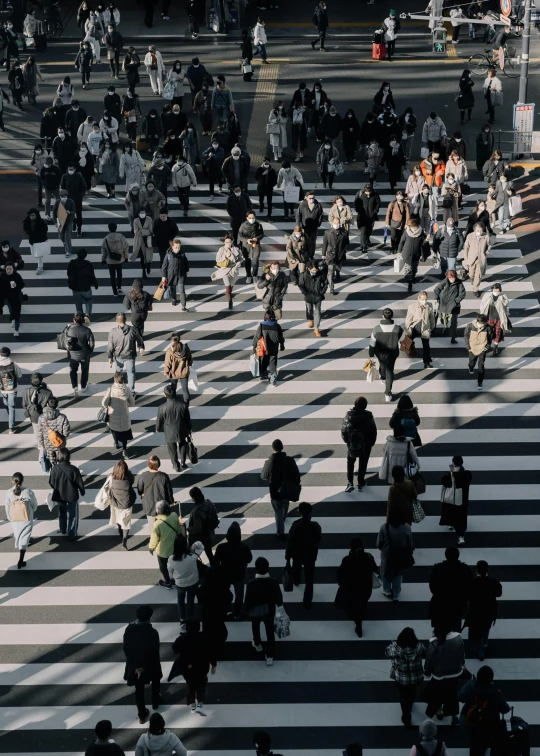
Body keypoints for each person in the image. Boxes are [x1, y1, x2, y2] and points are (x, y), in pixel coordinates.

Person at [123, 605, 162, 724]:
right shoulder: (152, 632)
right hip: (150, 664)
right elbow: (154, 650)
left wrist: (137, 667)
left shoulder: (129, 629)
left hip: (135, 665)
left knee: (138, 689)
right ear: (150, 616)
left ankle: (141, 714)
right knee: (155, 680)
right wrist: (144, 666)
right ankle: (155, 701)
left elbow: (126, 648)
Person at [459, 665, 510, 756]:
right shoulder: (494, 692)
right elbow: (505, 709)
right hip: (488, 723)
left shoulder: (470, 685)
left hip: (469, 719)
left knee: (474, 743)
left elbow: (460, 697)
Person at [334, 536, 377, 638]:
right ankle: (359, 620)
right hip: (365, 587)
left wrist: (341, 582)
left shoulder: (347, 560)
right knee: (362, 603)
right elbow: (374, 568)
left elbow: (341, 574)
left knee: (350, 604)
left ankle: (356, 620)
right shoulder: (368, 557)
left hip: (351, 588)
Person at [424, 623, 465, 725]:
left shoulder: (435, 643)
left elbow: (429, 660)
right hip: (455, 673)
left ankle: (438, 711)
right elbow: (462, 654)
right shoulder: (458, 639)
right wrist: (462, 665)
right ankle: (454, 715)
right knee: (452, 694)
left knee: (437, 696)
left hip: (439, 675)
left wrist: (427, 673)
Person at [246, 556, 283, 666]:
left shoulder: (251, 583)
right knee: (269, 631)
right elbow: (279, 598)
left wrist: (247, 611)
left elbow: (247, 600)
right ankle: (270, 655)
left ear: (256, 569)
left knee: (255, 627)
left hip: (255, 611)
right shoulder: (273, 582)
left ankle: (257, 643)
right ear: (267, 568)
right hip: (269, 611)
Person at [385, 627, 426, 727]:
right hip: (415, 678)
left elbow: (386, 652)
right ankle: (410, 705)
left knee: (403, 697)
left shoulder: (395, 648)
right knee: (412, 693)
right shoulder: (419, 647)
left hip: (402, 679)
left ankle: (406, 717)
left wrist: (393, 645)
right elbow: (425, 652)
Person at [285, 502, 321, 608]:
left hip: (297, 554)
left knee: (296, 568)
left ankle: (296, 581)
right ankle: (307, 600)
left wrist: (287, 556)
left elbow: (290, 542)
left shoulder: (295, 526)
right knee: (309, 578)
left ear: (300, 512)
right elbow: (318, 539)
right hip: (310, 555)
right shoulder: (315, 526)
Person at [260, 438, 299, 537]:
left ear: (273, 448)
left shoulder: (270, 461)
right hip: (287, 488)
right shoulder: (289, 460)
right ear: (282, 448)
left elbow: (263, 476)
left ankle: (280, 532)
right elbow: (296, 474)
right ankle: (284, 516)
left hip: (275, 490)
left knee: (277, 511)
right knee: (286, 502)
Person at [169, 621, 211, 712]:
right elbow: (210, 652)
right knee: (201, 685)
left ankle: (192, 703)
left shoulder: (182, 639)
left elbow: (175, 649)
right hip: (202, 667)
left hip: (188, 668)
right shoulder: (204, 638)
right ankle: (200, 702)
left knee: (190, 685)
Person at [429, 545, 473, 631]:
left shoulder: (438, 568)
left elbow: (432, 586)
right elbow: (470, 588)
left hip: (440, 603)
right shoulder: (464, 569)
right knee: (456, 628)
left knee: (440, 630)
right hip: (458, 604)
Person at [215, 521, 253, 619]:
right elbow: (249, 559)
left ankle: (225, 610)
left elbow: (215, 561)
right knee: (239, 595)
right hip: (239, 574)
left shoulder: (221, 547)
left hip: (225, 574)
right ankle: (237, 612)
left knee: (224, 593)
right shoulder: (244, 547)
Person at [341, 396, 377, 493]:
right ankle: (361, 483)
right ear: (365, 406)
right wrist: (371, 443)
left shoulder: (348, 416)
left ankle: (350, 482)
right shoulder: (368, 417)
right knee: (363, 463)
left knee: (350, 462)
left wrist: (347, 441)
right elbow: (373, 431)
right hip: (365, 444)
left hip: (352, 443)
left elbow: (344, 431)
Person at [377, 508, 413, 602]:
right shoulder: (407, 527)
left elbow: (379, 543)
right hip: (401, 554)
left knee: (385, 571)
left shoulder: (384, 527)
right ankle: (396, 594)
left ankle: (387, 589)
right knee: (398, 574)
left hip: (387, 554)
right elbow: (410, 543)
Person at [48, 447, 84, 539]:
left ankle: (63, 529)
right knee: (73, 515)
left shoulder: (55, 469)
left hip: (60, 495)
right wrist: (82, 491)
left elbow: (51, 483)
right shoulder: (74, 469)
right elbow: (79, 483)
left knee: (62, 512)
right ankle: (71, 533)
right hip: (72, 495)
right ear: (68, 456)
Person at [368, 308, 403, 403]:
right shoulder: (397, 328)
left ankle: (382, 377)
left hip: (380, 353)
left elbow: (372, 343)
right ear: (391, 316)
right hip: (392, 353)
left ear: (383, 316)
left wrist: (371, 354)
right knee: (390, 371)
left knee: (382, 364)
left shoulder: (376, 329)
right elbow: (400, 337)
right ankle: (388, 393)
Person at [5, 471, 38, 570]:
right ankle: (21, 559)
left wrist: (10, 517)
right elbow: (34, 505)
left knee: (18, 533)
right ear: (22, 481)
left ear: (12, 481)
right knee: (25, 535)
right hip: (26, 517)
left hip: (15, 518)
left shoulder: (8, 493)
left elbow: (7, 507)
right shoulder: (28, 491)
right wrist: (33, 509)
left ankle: (24, 542)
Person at [156, 384, 192, 472]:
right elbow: (188, 419)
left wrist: (157, 428)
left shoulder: (162, 407)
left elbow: (159, 420)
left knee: (172, 449)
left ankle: (175, 465)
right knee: (183, 444)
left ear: (165, 395)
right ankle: (183, 462)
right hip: (182, 429)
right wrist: (189, 428)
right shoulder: (183, 405)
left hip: (169, 431)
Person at [107, 312, 145, 394]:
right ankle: (131, 392)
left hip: (118, 356)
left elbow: (110, 347)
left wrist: (110, 357)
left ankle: (119, 390)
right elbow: (139, 339)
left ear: (116, 320)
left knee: (118, 374)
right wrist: (141, 346)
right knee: (131, 373)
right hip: (130, 355)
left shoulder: (113, 332)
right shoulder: (133, 330)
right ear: (125, 319)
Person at [439, 454, 472, 547]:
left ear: (453, 463)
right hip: (462, 499)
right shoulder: (467, 474)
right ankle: (461, 536)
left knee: (449, 509)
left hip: (451, 498)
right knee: (461, 516)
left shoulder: (450, 474)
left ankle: (450, 522)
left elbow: (444, 482)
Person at [149, 500, 182, 588]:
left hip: (163, 550)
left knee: (163, 567)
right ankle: (177, 579)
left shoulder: (157, 523)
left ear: (158, 511)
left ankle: (167, 582)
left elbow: (155, 538)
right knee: (176, 564)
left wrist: (151, 547)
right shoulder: (174, 515)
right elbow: (179, 530)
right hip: (175, 547)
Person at [167, 534, 200, 623]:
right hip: (193, 582)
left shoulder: (171, 559)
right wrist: (194, 546)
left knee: (180, 600)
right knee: (191, 600)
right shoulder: (193, 557)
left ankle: (182, 618)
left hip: (180, 584)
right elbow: (201, 546)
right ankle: (191, 617)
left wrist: (172, 578)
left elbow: (170, 572)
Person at [102, 371, 135, 458]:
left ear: (115, 379)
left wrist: (109, 403)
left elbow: (104, 403)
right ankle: (124, 449)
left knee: (114, 431)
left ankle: (116, 443)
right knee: (124, 434)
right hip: (124, 416)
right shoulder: (127, 389)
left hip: (113, 417)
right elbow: (132, 403)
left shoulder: (111, 389)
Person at [184, 486, 219, 566]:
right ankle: (215, 567)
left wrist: (188, 529)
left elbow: (197, 528)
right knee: (209, 552)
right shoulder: (208, 502)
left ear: (193, 498)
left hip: (200, 538)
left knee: (192, 554)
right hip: (209, 533)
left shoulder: (196, 512)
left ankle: (195, 568)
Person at [137, 455, 174, 529]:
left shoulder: (143, 475)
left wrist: (142, 493)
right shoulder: (164, 476)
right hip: (162, 506)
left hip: (149, 505)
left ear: (149, 464)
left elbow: (139, 489)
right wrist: (171, 501)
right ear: (158, 464)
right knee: (163, 526)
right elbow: (169, 491)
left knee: (152, 527)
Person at [108, 458, 136, 547]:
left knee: (117, 517)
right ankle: (124, 539)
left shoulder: (111, 477)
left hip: (115, 502)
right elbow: (132, 481)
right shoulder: (129, 477)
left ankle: (120, 529)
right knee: (126, 522)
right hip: (126, 503)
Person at [65, 311, 95, 396]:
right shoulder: (87, 330)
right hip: (84, 354)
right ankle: (83, 386)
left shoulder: (69, 329)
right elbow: (92, 344)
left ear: (74, 320)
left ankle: (75, 387)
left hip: (72, 355)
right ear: (83, 320)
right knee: (84, 370)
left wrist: (66, 328)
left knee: (73, 370)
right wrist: (89, 351)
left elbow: (63, 339)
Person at [253, 309, 285, 387]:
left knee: (263, 361)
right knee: (273, 363)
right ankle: (273, 380)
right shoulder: (277, 326)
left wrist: (254, 347)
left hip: (264, 348)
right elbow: (281, 338)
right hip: (274, 348)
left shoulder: (262, 326)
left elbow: (257, 337)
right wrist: (282, 345)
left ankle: (263, 375)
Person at [404, 291, 436, 369]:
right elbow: (408, 319)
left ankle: (426, 362)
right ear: (418, 298)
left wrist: (432, 326)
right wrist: (407, 329)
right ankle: (409, 350)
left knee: (426, 346)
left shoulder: (429, 305)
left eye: (426, 299)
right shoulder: (412, 306)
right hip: (415, 327)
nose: (424, 301)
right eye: (423, 299)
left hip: (425, 328)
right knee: (408, 341)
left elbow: (432, 317)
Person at [433, 270, 465, 345]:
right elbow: (437, 289)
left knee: (454, 322)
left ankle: (453, 337)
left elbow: (462, 293)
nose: (451, 280)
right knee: (443, 319)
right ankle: (445, 327)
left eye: (452, 278)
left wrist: (456, 301)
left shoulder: (459, 283)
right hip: (444, 304)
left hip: (454, 306)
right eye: (450, 278)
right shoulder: (444, 282)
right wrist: (436, 298)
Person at [398, 218, 429, 293]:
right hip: (407, 254)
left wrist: (427, 239)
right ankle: (410, 283)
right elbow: (402, 241)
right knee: (408, 270)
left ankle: (413, 277)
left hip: (416, 254)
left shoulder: (420, 232)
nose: (413, 228)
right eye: (412, 227)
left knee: (414, 268)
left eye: (414, 227)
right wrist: (399, 251)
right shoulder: (406, 232)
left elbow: (424, 241)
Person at [37, 396, 70, 468]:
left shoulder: (41, 418)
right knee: (61, 459)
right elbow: (66, 433)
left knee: (51, 459)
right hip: (60, 443)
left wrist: (41, 443)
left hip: (47, 443)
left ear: (47, 405)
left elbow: (39, 432)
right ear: (57, 405)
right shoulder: (62, 417)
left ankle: (53, 469)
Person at [297, 260, 327, 338]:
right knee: (309, 309)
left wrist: (322, 292)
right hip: (308, 296)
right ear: (308, 269)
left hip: (318, 296)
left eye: (316, 269)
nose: (315, 271)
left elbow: (325, 283)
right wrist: (306, 293)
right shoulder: (303, 275)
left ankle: (316, 328)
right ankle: (311, 319)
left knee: (318, 312)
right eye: (313, 270)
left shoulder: (320, 274)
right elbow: (301, 285)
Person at [67, 249, 98, 321]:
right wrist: (95, 284)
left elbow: (69, 274)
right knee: (89, 300)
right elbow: (92, 276)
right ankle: (87, 315)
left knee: (78, 303)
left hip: (75, 287)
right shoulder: (88, 264)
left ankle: (79, 316)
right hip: (86, 287)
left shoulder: (72, 263)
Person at [480, 282, 509, 356]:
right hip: (489, 318)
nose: (496, 292)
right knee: (488, 333)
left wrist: (506, 316)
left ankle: (495, 347)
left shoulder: (503, 297)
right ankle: (487, 345)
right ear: (492, 290)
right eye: (495, 290)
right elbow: (482, 305)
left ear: (500, 290)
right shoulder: (487, 296)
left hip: (499, 319)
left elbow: (506, 307)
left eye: (498, 291)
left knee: (498, 334)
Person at [463, 223, 491, 298]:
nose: (480, 232)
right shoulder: (470, 236)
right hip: (471, 259)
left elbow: (489, 245)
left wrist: (486, 253)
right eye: (478, 230)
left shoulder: (486, 236)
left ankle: (475, 289)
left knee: (478, 276)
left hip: (480, 259)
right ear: (475, 230)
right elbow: (466, 248)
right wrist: (466, 259)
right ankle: (472, 280)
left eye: (481, 231)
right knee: (471, 274)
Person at [161, 237, 190, 311]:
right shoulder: (168, 255)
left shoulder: (182, 254)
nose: (178, 249)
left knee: (182, 290)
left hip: (181, 274)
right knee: (172, 288)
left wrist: (186, 270)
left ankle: (183, 306)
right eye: (176, 247)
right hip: (172, 275)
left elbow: (186, 263)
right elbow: (164, 266)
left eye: (179, 247)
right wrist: (164, 276)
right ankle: (174, 299)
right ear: (172, 247)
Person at [465, 313, 492, 390]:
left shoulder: (488, 328)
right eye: (481, 324)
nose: (482, 325)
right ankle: (471, 367)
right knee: (471, 363)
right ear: (478, 321)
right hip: (472, 348)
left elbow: (490, 338)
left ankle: (480, 382)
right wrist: (468, 346)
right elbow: (466, 335)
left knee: (481, 366)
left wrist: (487, 347)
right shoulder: (470, 326)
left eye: (484, 324)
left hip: (482, 349)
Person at [214, 234, 242, 309]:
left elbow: (240, 258)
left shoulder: (236, 249)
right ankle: (230, 302)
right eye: (226, 242)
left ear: (232, 241)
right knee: (228, 285)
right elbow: (217, 260)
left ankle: (230, 294)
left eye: (229, 242)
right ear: (224, 242)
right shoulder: (221, 249)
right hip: (225, 270)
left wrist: (239, 263)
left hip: (234, 270)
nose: (228, 243)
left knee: (231, 284)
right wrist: (225, 256)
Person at [102, 222, 129, 297]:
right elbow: (126, 248)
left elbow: (104, 250)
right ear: (116, 228)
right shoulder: (121, 237)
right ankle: (119, 287)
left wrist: (103, 259)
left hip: (110, 260)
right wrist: (126, 257)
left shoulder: (106, 239)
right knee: (119, 273)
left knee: (112, 276)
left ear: (109, 229)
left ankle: (114, 291)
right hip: (119, 259)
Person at [23, 372, 52, 442]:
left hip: (33, 414)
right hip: (44, 414)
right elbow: (51, 405)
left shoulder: (26, 391)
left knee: (36, 429)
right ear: (41, 380)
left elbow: (24, 404)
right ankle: (47, 442)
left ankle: (40, 444)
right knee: (46, 429)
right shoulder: (48, 392)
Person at [239, 211, 264, 284]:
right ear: (247, 218)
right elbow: (239, 236)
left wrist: (257, 238)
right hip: (246, 245)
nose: (251, 219)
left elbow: (262, 234)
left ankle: (255, 275)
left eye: (253, 218)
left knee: (255, 260)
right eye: (250, 218)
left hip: (256, 244)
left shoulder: (258, 225)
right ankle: (248, 275)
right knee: (247, 260)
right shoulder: (243, 226)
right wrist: (247, 240)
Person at [295, 191, 324, 258]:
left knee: (312, 241)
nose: (311, 199)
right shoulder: (302, 205)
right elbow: (298, 215)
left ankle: (311, 254)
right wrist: (298, 225)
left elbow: (321, 215)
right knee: (304, 241)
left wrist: (318, 224)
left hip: (314, 227)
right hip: (304, 227)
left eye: (313, 198)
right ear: (306, 198)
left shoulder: (318, 205)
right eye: (310, 198)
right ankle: (304, 253)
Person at [0, 264, 24, 338]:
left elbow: (22, 285)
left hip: (16, 297)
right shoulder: (3, 276)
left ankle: (16, 330)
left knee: (16, 313)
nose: (9, 270)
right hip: (7, 297)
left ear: (13, 269)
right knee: (11, 310)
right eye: (7, 269)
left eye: (10, 269)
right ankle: (13, 319)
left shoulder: (17, 276)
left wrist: (16, 286)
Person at [355, 184, 380, 254]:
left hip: (371, 217)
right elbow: (356, 204)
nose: (368, 193)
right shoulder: (360, 195)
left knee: (369, 230)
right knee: (363, 231)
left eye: (370, 191)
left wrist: (375, 212)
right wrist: (359, 211)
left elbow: (378, 204)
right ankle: (363, 246)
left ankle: (367, 239)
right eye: (367, 191)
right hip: (362, 217)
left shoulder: (375, 195)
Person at [23, 208, 49, 276]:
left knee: (39, 255)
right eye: (31, 215)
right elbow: (25, 228)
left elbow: (45, 230)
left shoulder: (41, 222)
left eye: (33, 215)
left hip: (40, 240)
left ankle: (40, 267)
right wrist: (29, 232)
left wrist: (38, 234)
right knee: (34, 254)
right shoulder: (27, 221)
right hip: (32, 240)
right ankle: (40, 263)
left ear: (36, 215)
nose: (32, 217)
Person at [131, 208, 154, 279]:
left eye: (144, 213)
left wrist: (141, 231)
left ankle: (148, 265)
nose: (143, 214)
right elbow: (136, 232)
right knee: (142, 257)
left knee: (148, 256)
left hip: (148, 240)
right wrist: (145, 231)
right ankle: (143, 271)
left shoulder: (149, 219)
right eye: (141, 213)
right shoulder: (136, 221)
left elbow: (151, 230)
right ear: (138, 214)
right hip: (139, 241)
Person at [40, 157, 62, 221]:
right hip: (47, 188)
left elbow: (59, 177)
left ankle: (60, 213)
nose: (46, 165)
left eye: (47, 164)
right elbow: (41, 177)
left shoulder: (55, 169)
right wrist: (44, 184)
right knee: (47, 201)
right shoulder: (43, 169)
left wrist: (57, 184)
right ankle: (47, 214)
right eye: (45, 163)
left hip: (55, 188)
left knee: (58, 200)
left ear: (51, 164)